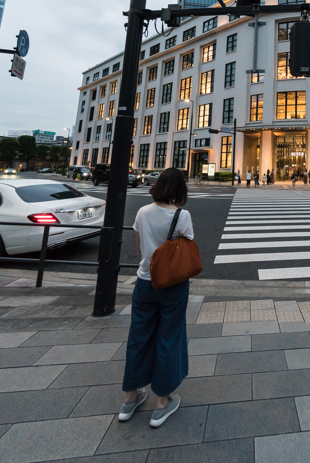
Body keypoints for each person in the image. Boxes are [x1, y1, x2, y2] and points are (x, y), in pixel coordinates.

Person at [120, 168, 193, 428]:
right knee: (169, 337)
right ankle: (162, 403)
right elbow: (186, 250)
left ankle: (130, 398)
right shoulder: (181, 215)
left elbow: (141, 248)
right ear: (179, 189)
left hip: (144, 282)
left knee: (138, 337)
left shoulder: (142, 212)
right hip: (173, 285)